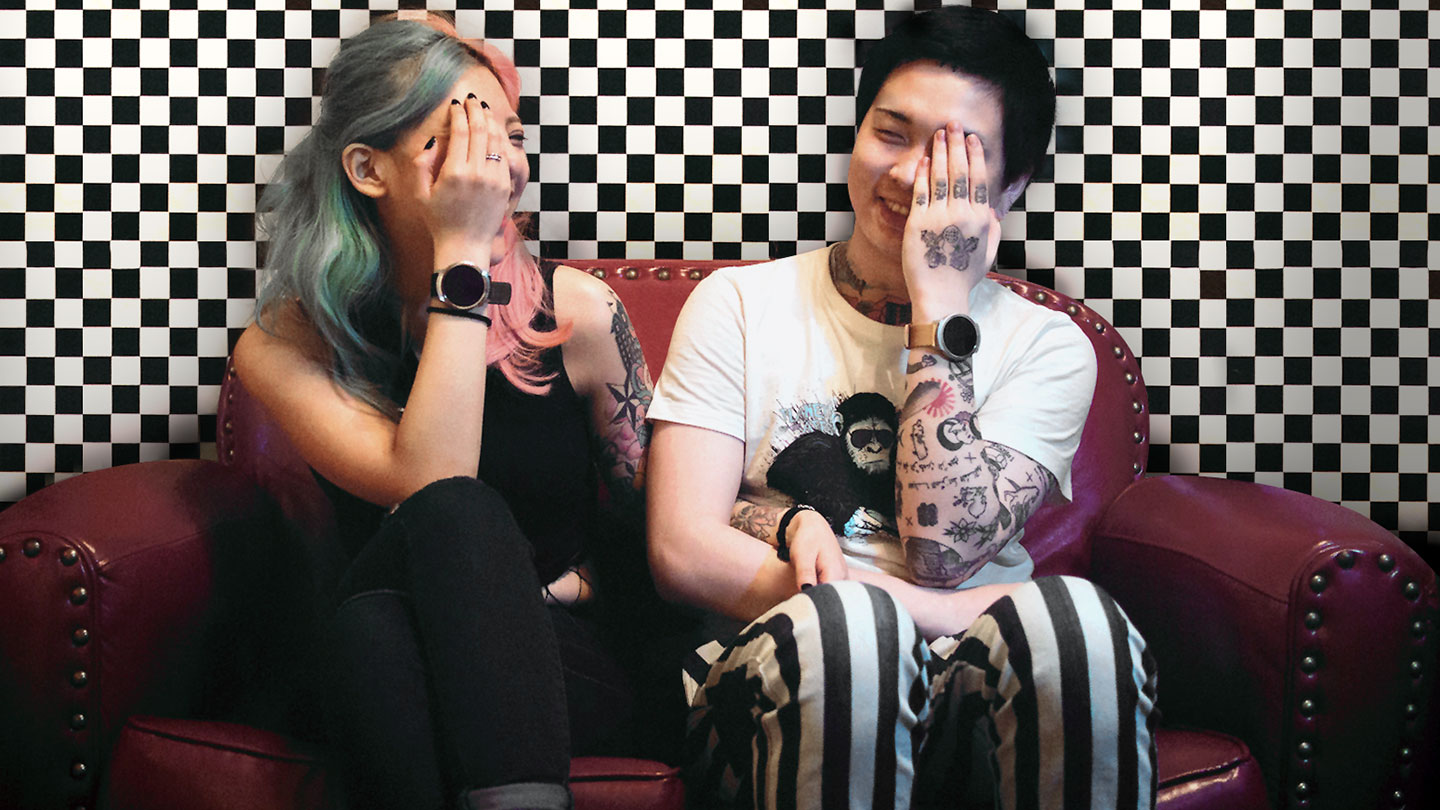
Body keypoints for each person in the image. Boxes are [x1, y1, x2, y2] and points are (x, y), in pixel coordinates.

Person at [646, 6, 1158, 809]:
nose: (912, 176)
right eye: (891, 134)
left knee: (1080, 626)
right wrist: (913, 609)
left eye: (956, 156)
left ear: (1012, 186)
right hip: (782, 675)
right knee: (848, 636)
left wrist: (939, 307)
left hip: (978, 687)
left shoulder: (1051, 345)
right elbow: (681, 549)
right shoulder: (739, 304)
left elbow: (941, 553)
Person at [233, 13, 655, 810]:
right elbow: (435, 483)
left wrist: (560, 593)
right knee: (383, 618)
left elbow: (657, 537)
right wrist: (461, 253)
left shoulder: (579, 315)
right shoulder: (286, 343)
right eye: (462, 139)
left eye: (509, 138)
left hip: (557, 656)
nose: (498, 171)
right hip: (381, 648)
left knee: (374, 633)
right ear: (368, 169)